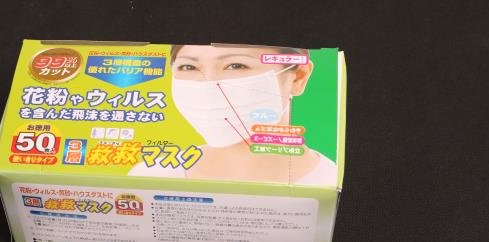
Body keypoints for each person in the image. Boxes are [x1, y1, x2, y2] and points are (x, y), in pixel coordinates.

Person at [129, 44, 337, 186]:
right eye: (188, 66)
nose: (208, 84)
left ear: (298, 77)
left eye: (236, 65)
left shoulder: (328, 183)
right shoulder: (150, 176)